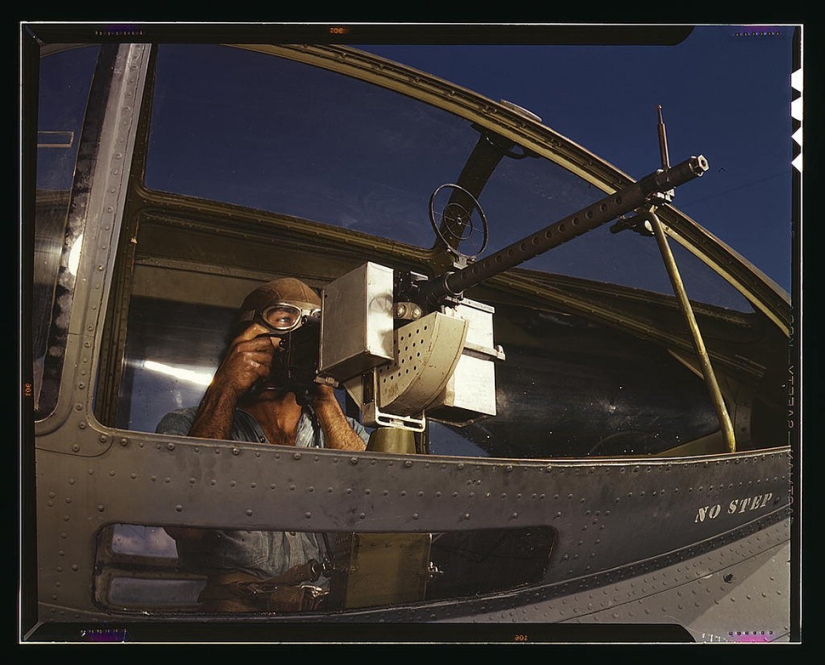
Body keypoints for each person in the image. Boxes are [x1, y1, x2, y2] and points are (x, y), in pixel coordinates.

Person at [156, 277, 369, 612]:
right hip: (238, 614)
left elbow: (375, 513)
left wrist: (324, 397)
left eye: (310, 329)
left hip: (330, 613)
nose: (294, 341)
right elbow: (186, 525)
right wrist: (225, 387)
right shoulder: (185, 426)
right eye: (283, 322)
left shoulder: (343, 429)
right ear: (245, 335)